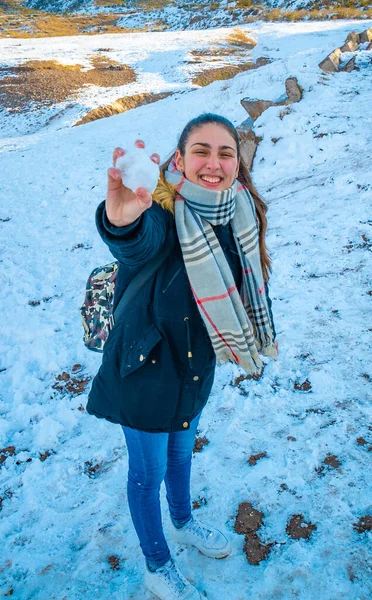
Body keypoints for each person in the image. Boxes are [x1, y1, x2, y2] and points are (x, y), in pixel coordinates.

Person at [86, 113, 278, 600]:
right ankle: (157, 564)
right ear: (180, 159)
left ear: (238, 164)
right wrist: (122, 219)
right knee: (147, 473)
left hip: (195, 368)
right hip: (144, 371)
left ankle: (184, 521)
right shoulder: (162, 213)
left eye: (225, 153)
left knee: (180, 454)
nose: (213, 163)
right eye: (201, 151)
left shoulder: (238, 216)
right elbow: (135, 239)